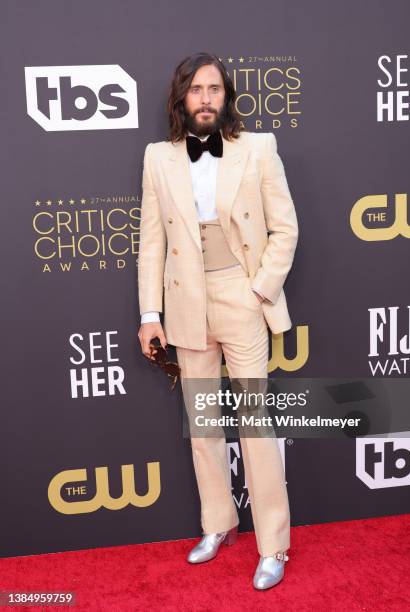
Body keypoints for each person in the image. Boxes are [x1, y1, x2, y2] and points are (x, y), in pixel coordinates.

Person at [137, 51, 298, 590]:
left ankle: (274, 544)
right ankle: (218, 524)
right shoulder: (158, 158)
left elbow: (285, 229)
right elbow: (151, 246)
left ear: (225, 95)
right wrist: (149, 314)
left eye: (214, 88)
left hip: (240, 292)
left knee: (254, 424)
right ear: (182, 97)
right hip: (185, 299)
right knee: (203, 427)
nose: (206, 97)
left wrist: (258, 290)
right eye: (196, 89)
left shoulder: (258, 148)